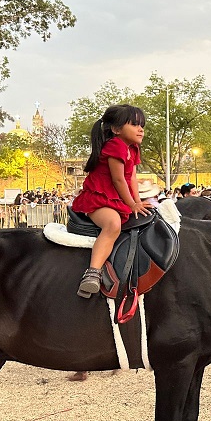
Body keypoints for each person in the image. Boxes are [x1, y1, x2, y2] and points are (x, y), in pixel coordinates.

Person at [71, 104, 149, 298]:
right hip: (99, 198)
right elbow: (119, 179)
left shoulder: (133, 148)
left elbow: (132, 178)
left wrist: (138, 202)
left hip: (115, 199)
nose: (141, 129)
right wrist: (132, 204)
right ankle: (93, 273)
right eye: (134, 124)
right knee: (113, 224)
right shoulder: (116, 146)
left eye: (142, 125)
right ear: (116, 129)